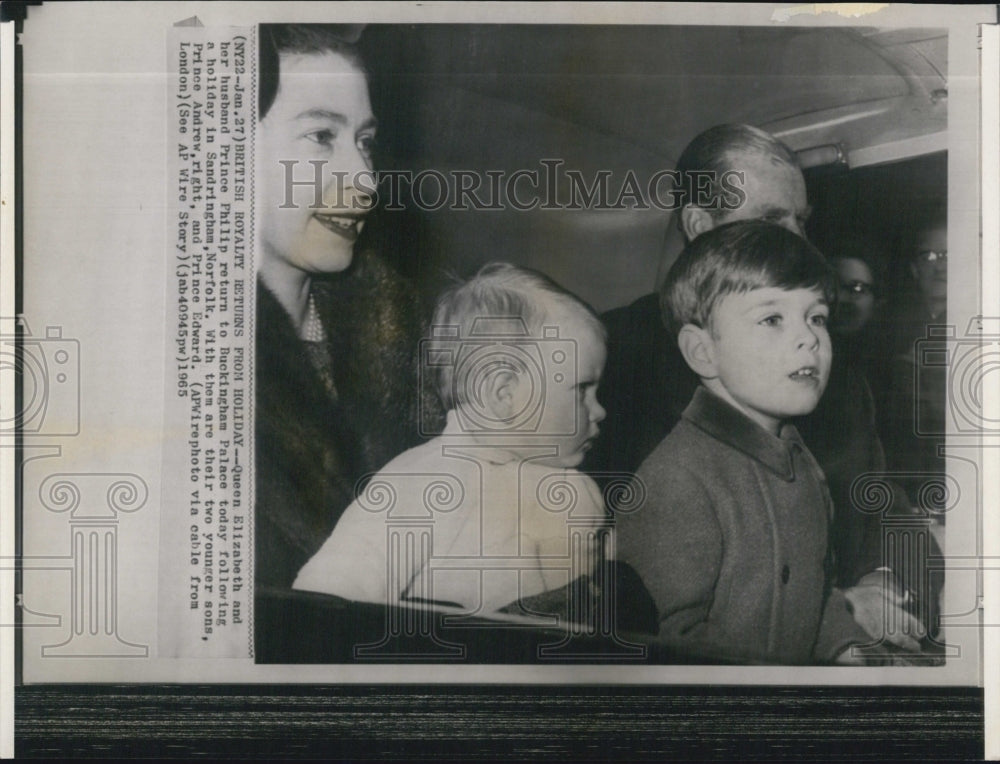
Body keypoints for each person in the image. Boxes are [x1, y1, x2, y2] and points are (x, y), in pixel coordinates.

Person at [615, 221, 922, 664]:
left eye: (816, 317)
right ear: (702, 351)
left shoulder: (804, 466)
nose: (809, 337)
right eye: (772, 318)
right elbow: (667, 650)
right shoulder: (677, 481)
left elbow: (809, 601)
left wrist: (847, 647)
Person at [294, 263, 610, 617]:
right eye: (581, 390)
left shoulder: (580, 489)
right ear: (503, 393)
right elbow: (326, 600)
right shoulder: (422, 484)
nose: (599, 411)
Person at [255, 25, 432, 590]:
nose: (364, 179)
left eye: (365, 141)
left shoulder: (405, 333)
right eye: (321, 137)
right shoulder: (174, 366)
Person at [586, 124, 811, 480]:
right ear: (699, 225)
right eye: (770, 219)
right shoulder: (613, 353)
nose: (798, 241)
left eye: (800, 220)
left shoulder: (832, 365)